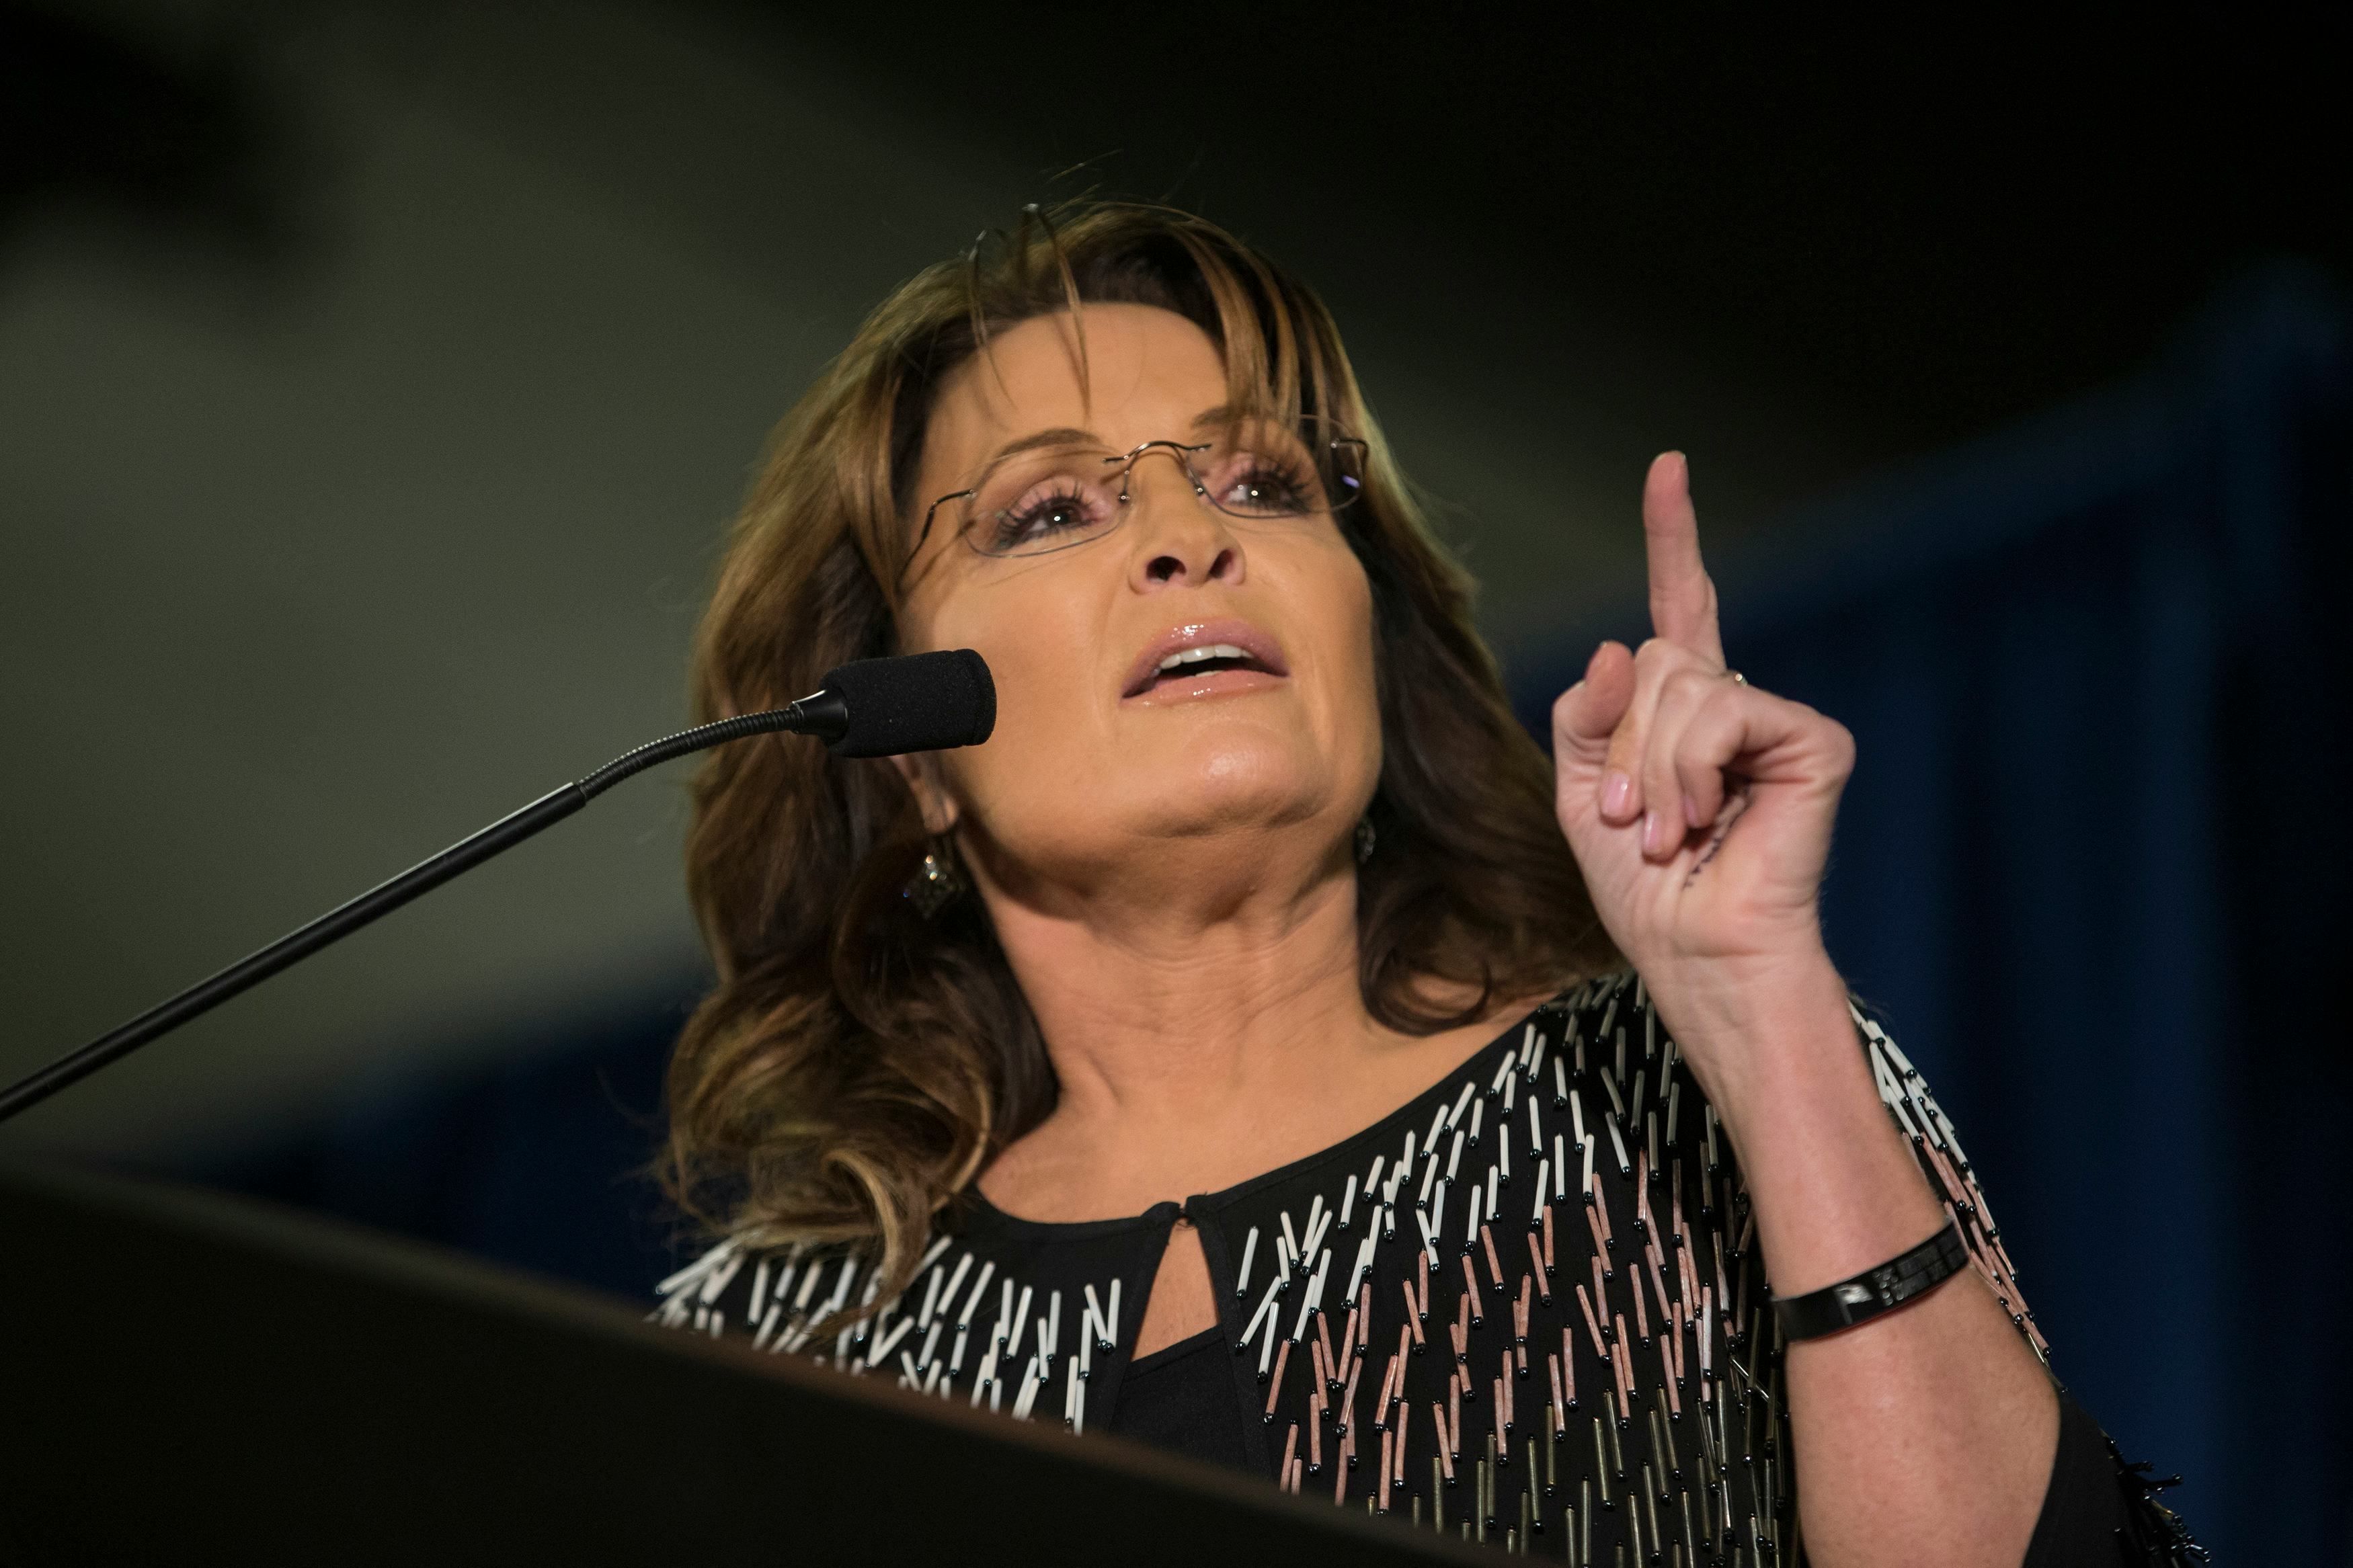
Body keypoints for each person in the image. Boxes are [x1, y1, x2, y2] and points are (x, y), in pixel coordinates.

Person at [650, 204, 2199, 1565]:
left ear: (1368, 650)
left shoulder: (1676, 1102)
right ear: (911, 758)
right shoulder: (768, 1354)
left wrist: (1761, 1013)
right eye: (1051, 510)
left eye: (1263, 484)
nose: (1190, 536)